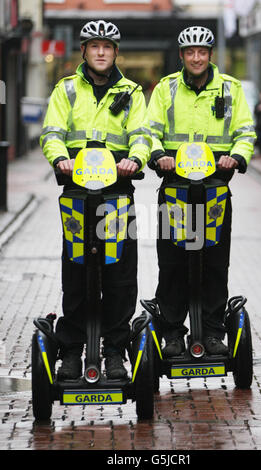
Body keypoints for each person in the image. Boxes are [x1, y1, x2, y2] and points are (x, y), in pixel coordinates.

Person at [40, 20, 151, 379]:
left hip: (117, 193)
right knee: (75, 273)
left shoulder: (133, 92)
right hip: (75, 193)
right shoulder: (66, 90)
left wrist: (134, 159)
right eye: (94, 46)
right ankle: (72, 349)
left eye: (107, 46)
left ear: (115, 52)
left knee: (119, 274)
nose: (101, 52)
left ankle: (115, 349)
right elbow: (52, 132)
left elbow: (141, 135)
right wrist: (60, 159)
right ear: (84, 51)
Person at [146, 26, 256, 357]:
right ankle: (174, 334)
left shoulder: (230, 88)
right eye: (190, 52)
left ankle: (211, 332)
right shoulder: (166, 89)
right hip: (175, 187)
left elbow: (245, 131)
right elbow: (149, 130)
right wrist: (157, 155)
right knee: (172, 263)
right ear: (181, 55)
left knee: (214, 262)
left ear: (210, 55)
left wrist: (236, 156)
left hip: (215, 189)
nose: (196, 57)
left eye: (202, 52)